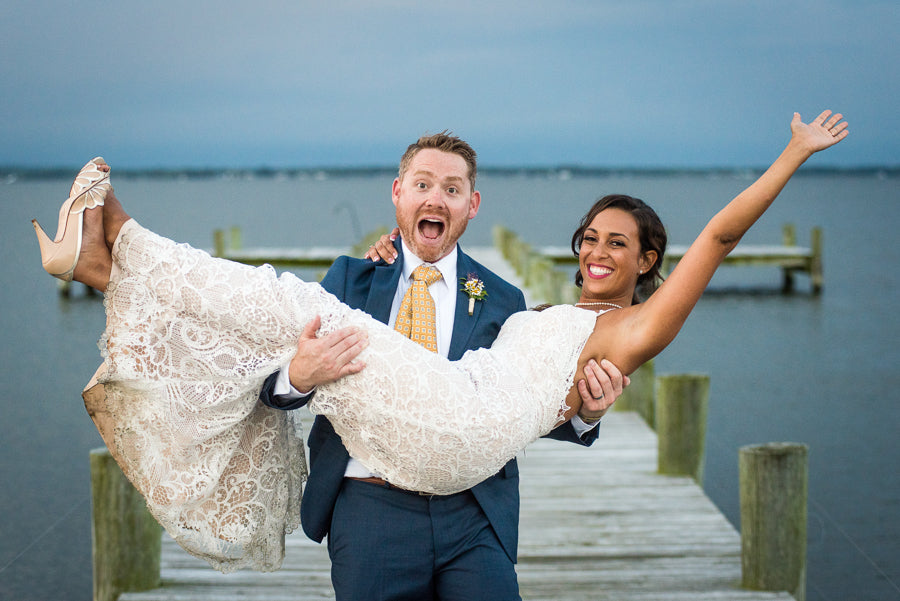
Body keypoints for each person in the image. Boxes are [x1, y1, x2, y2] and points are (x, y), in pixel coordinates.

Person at [31, 109, 847, 592]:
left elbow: (721, 232)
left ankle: (116, 251)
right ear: (400, 196)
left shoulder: (609, 322)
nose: (598, 252)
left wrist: (794, 153)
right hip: (375, 497)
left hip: (463, 469)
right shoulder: (399, 277)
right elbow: (281, 384)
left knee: (297, 301)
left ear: (647, 262)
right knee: (297, 310)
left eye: (619, 244)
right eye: (590, 237)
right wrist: (296, 376)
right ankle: (110, 259)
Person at [256, 132, 624, 600]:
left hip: (474, 512)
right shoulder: (348, 280)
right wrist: (300, 376)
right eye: (423, 185)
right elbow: (270, 388)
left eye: (451, 190)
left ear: (472, 205)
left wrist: (585, 415)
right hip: (371, 508)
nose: (436, 199)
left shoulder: (503, 300)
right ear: (398, 193)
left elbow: (515, 408)